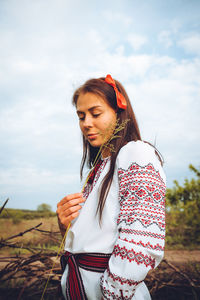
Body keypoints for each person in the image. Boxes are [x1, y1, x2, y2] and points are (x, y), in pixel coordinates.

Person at [56, 74, 166, 300]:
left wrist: (111, 293)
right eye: (81, 116)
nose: (86, 123)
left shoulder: (136, 153)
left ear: (118, 111)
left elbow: (142, 240)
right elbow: (93, 238)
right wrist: (65, 225)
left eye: (95, 113)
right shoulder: (98, 169)